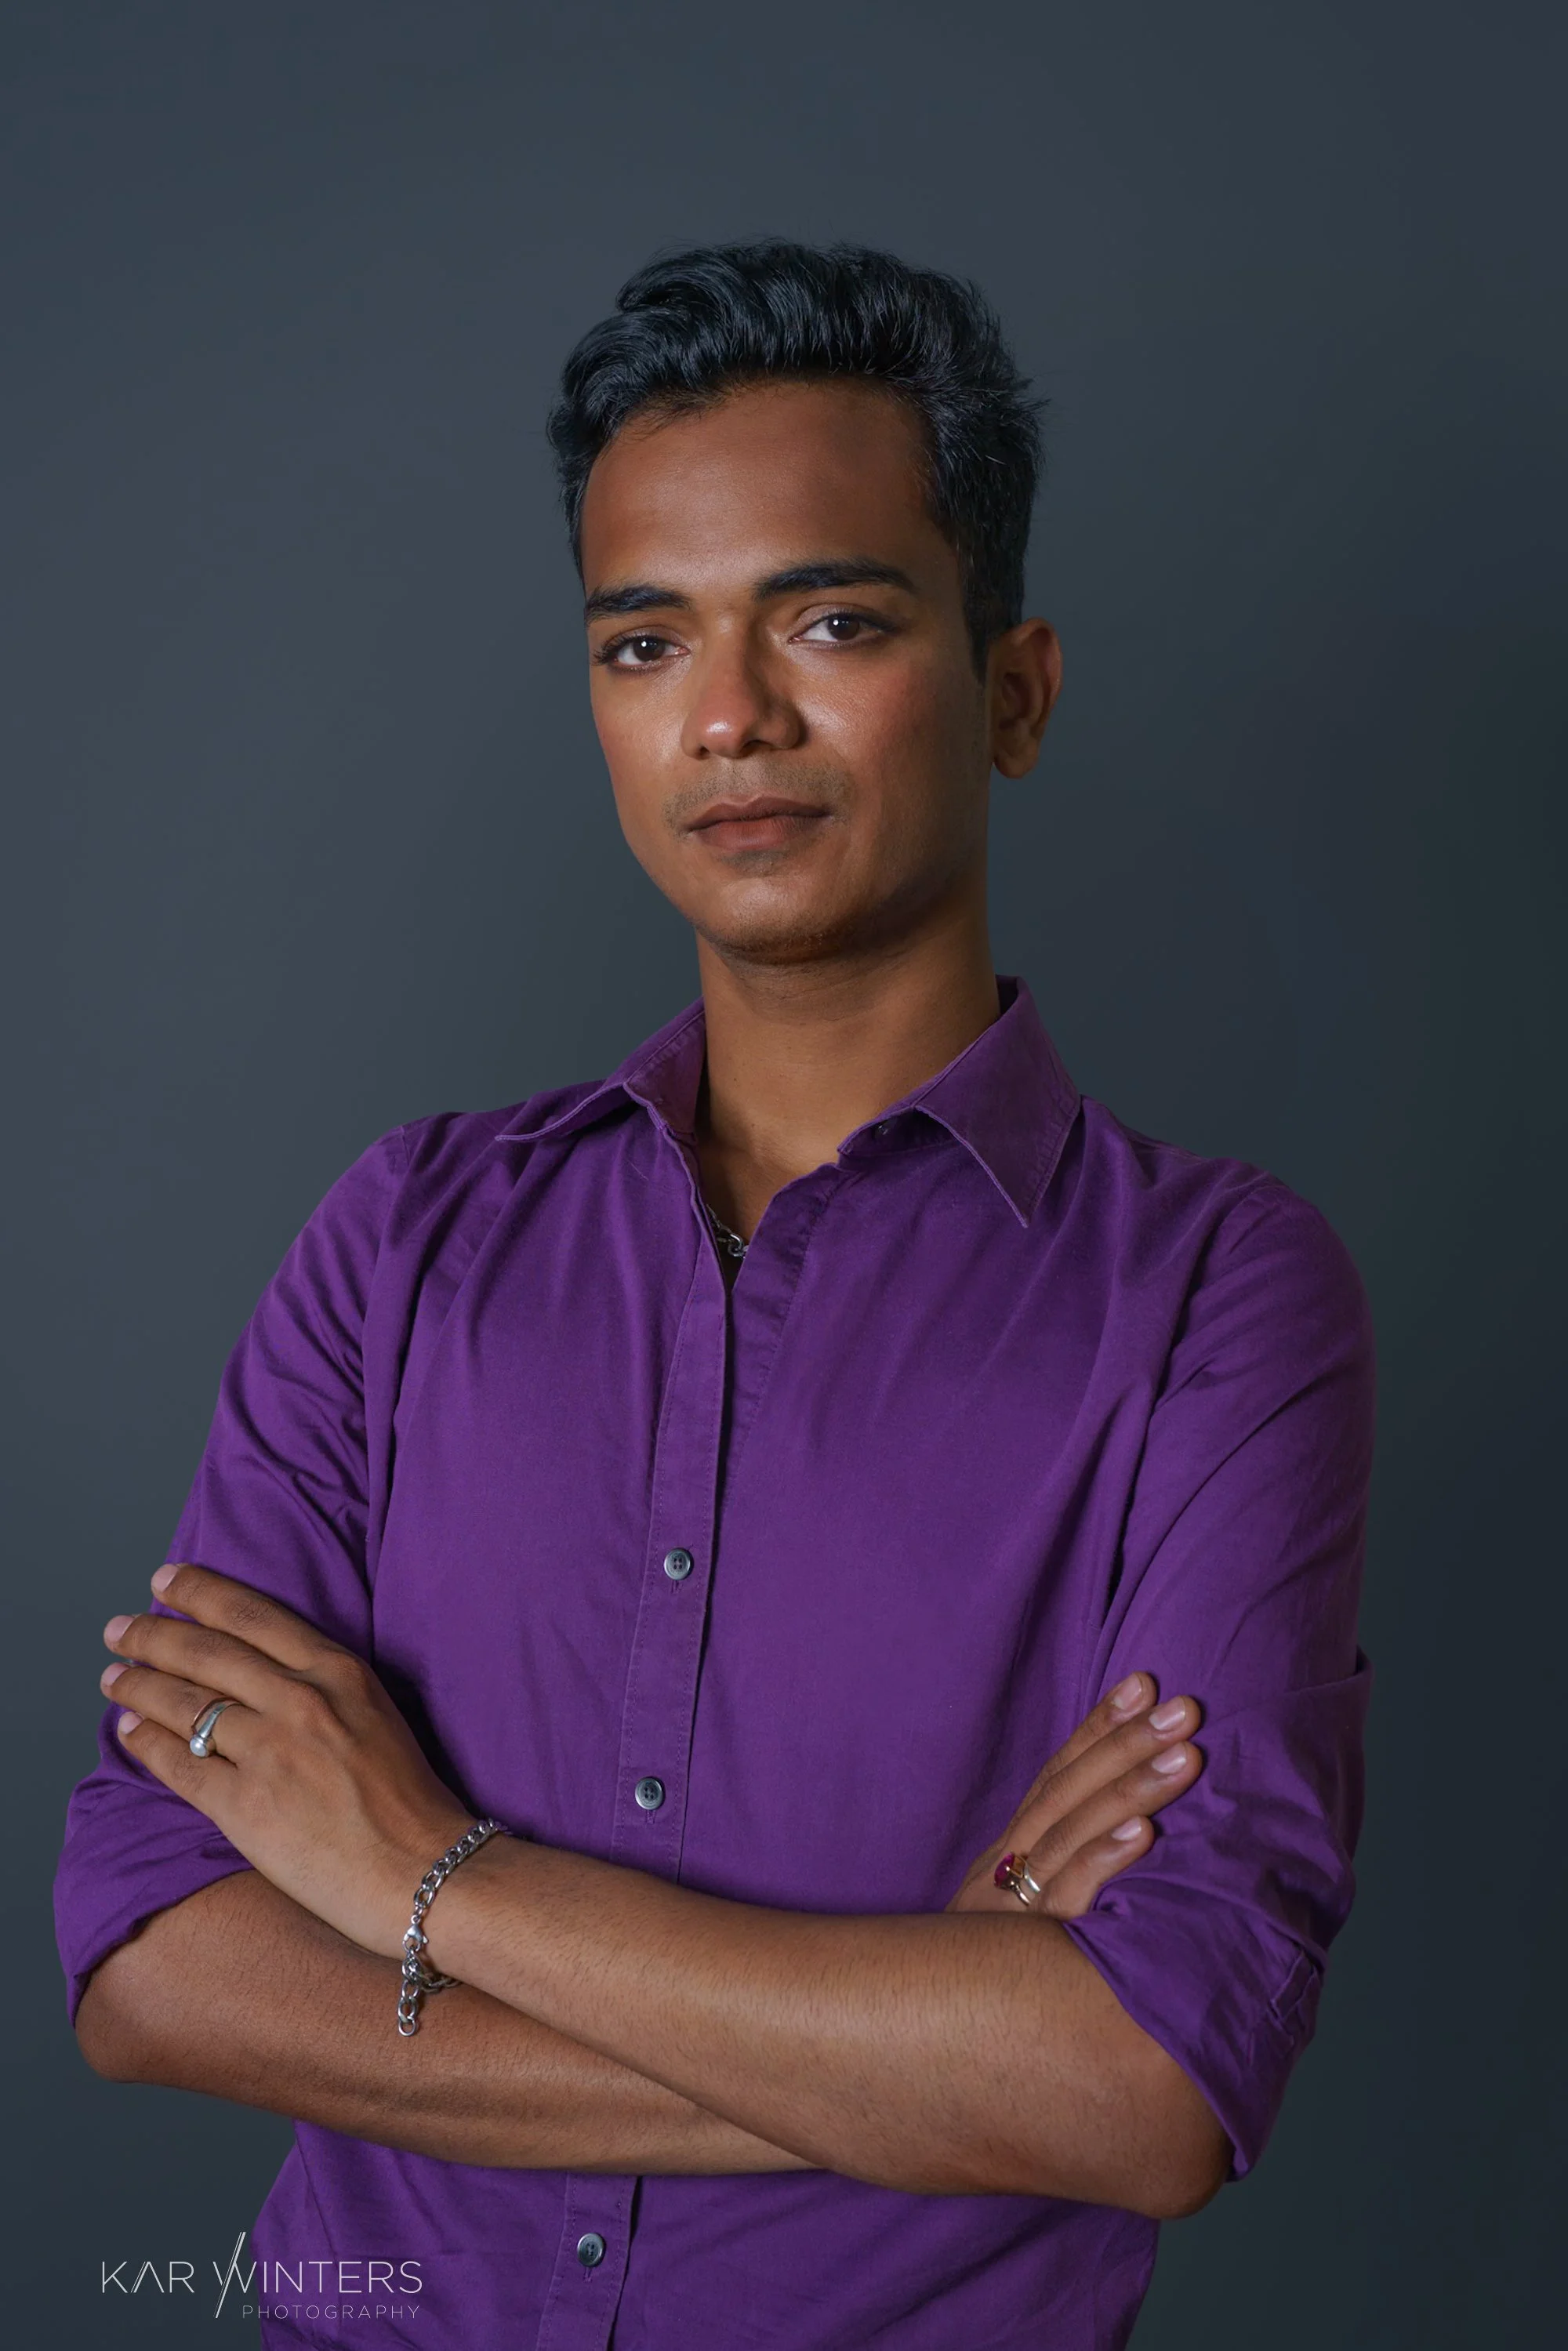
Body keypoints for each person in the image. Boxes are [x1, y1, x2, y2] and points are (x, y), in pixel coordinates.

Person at [56, 241, 1374, 2351]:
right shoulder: (400, 1242)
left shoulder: (1221, 1295)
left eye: (834, 620)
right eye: (647, 640)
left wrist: (421, 1874)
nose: (732, 716)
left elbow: (1143, 2087)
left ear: (1015, 691)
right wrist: (917, 2044)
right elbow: (148, 1956)